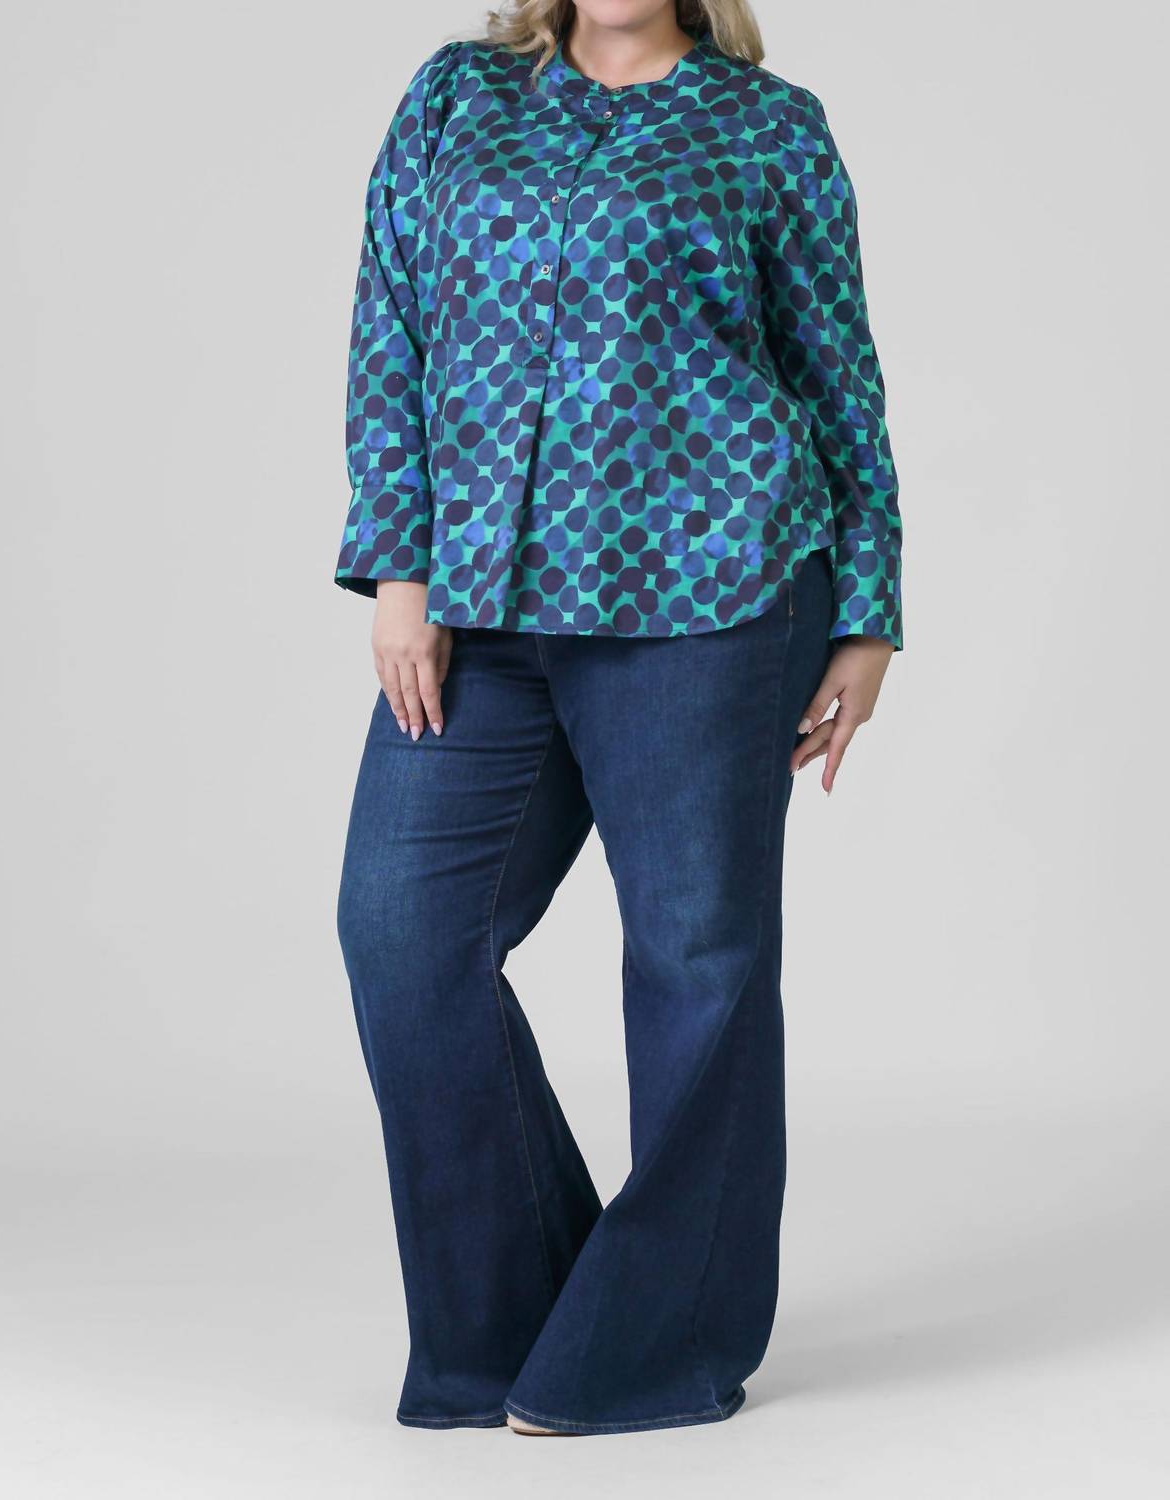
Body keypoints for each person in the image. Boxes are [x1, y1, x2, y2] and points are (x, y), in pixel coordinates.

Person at [334, 0, 903, 1436]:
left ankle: (661, 1344)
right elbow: (390, 320)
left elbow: (836, 371)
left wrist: (868, 613)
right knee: (403, 933)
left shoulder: (768, 129)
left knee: (697, 964)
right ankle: (513, 1328)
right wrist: (401, 569)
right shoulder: (457, 98)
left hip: (714, 592)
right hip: (481, 600)